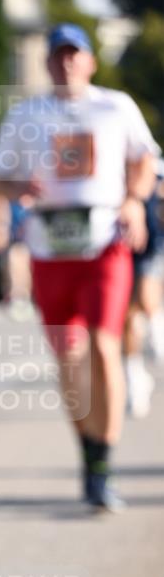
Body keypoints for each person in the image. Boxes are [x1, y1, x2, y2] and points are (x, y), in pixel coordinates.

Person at [0, 23, 159, 512]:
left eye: (74, 54)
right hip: (48, 247)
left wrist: (133, 201)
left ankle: (105, 460)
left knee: (105, 346)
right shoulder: (26, 115)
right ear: (46, 63)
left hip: (104, 243)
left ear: (90, 61)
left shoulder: (116, 106)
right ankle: (88, 454)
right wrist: (15, 188)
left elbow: (144, 159)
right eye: (57, 55)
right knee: (68, 356)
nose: (66, 63)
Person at [123, 161, 164, 417]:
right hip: (119, 249)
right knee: (127, 318)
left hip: (151, 247)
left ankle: (158, 341)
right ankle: (135, 379)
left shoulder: (154, 167)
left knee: (148, 300)